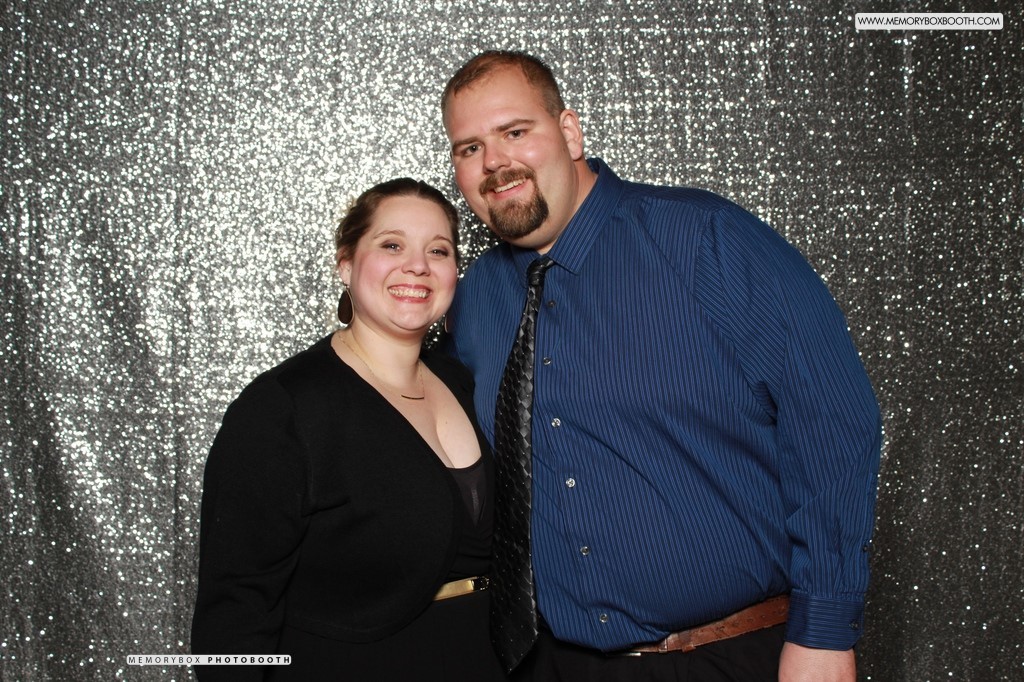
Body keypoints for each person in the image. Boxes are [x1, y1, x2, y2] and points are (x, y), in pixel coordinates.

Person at [440, 50, 882, 682]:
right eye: (469, 147)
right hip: (554, 663)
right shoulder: (473, 298)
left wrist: (825, 631)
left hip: (729, 656)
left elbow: (832, 421)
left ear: (569, 132)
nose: (493, 162)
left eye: (515, 131)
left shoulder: (706, 239)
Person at [191, 178, 506, 681]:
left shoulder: (462, 380)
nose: (418, 265)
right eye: (392, 245)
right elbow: (234, 608)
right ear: (346, 263)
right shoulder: (283, 407)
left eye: (438, 250)